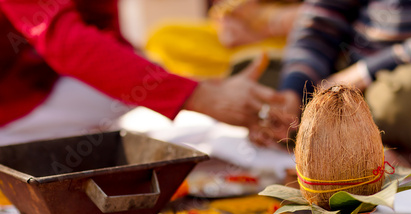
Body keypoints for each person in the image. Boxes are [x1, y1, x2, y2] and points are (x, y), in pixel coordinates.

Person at [0, 0, 279, 146]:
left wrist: (197, 88)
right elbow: (67, 42)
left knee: (137, 96)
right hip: (12, 98)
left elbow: (104, 33)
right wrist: (199, 96)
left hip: (42, 80)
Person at [256, 0, 411, 166]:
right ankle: (326, 127)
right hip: (354, 73)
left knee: (406, 96)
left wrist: (365, 72)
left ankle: (329, 130)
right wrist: (293, 91)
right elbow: (320, 21)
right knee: (258, 73)